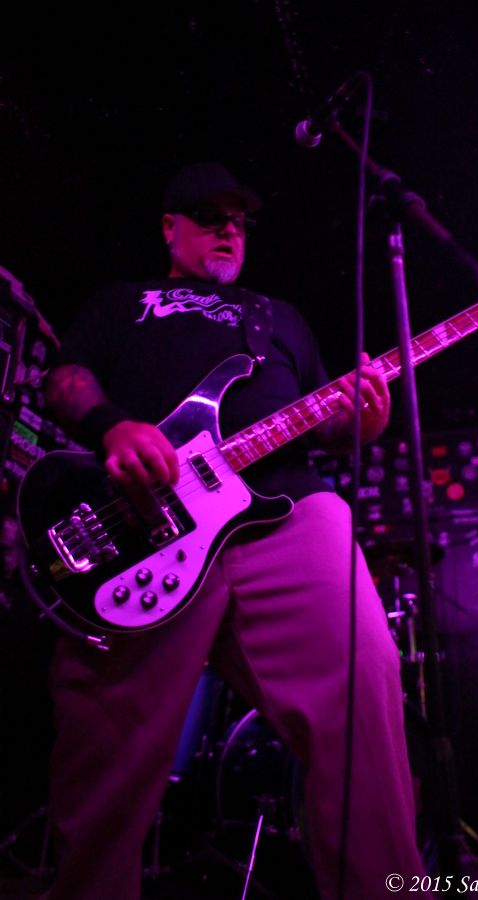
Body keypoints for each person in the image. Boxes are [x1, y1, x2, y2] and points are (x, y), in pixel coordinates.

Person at [41, 162, 428, 899]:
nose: (228, 230)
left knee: (364, 697)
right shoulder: (124, 302)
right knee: (104, 758)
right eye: (209, 215)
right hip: (147, 528)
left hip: (287, 515)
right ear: (169, 228)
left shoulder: (277, 317)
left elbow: (324, 419)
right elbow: (63, 379)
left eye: (239, 221)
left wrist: (360, 419)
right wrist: (113, 426)